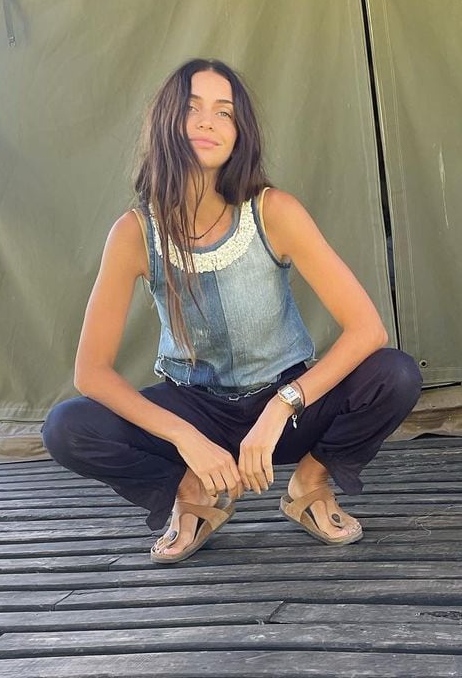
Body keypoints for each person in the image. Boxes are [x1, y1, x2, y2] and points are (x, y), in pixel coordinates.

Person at [43, 58, 421, 564]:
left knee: (394, 374)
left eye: (224, 113)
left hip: (285, 405)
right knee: (67, 426)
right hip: (193, 406)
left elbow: (366, 329)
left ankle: (310, 484)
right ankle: (193, 493)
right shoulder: (135, 233)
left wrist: (281, 406)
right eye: (192, 108)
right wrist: (184, 439)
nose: (207, 122)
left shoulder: (273, 211)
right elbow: (90, 373)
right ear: (166, 123)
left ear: (239, 133)